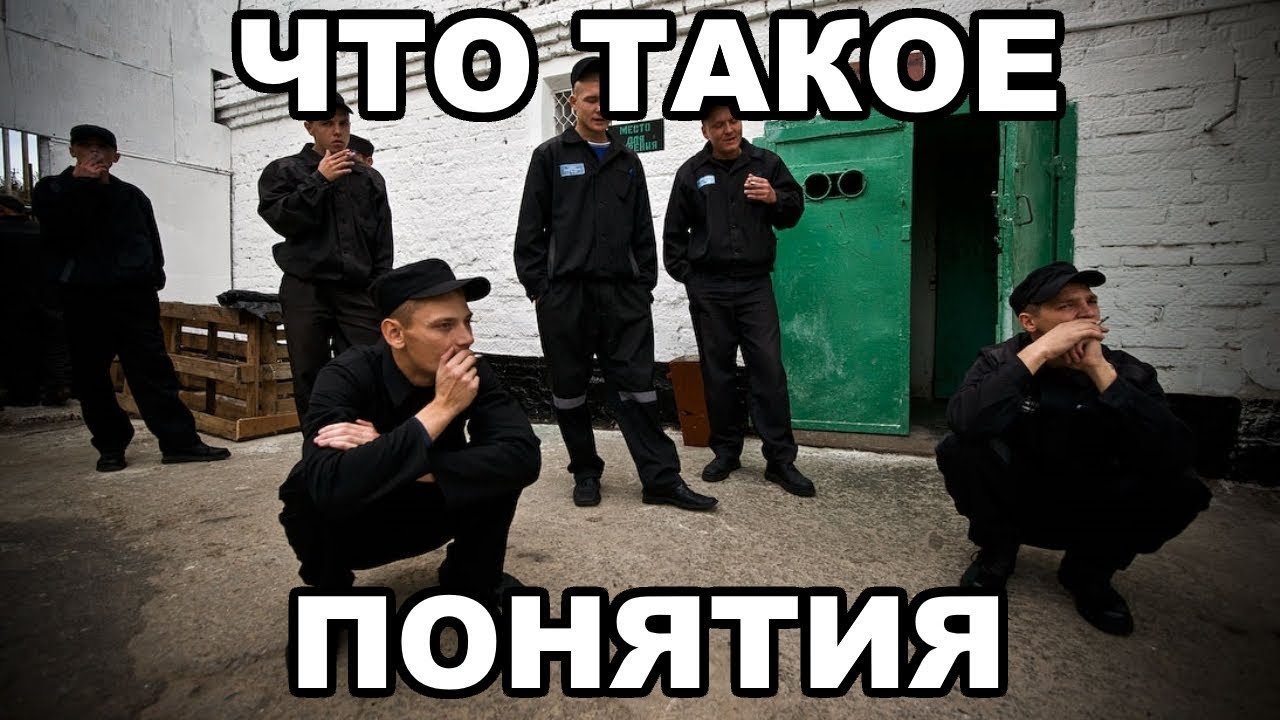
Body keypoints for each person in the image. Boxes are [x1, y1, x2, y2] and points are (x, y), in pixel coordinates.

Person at [936, 262, 1212, 635]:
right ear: (1029, 322)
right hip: (1018, 497)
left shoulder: (1127, 371)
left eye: (1090, 302)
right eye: (1067, 305)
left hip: (1094, 504)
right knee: (958, 450)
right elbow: (964, 421)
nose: (1085, 312)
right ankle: (998, 553)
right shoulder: (998, 361)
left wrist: (1100, 373)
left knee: (1184, 488)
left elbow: (1176, 453)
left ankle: (1088, 572)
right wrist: (1039, 354)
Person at [514, 56, 716, 512]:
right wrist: (540, 290)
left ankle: (660, 479)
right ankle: (585, 471)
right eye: (590, 99)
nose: (600, 107)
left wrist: (643, 285)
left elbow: (643, 228)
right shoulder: (550, 157)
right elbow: (530, 230)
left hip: (624, 296)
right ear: (573, 101)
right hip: (565, 296)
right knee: (569, 390)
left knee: (639, 388)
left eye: (607, 99)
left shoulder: (628, 161)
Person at [278, 258, 540, 606]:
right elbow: (329, 483)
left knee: (498, 468)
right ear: (395, 334)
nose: (466, 338)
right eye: (444, 325)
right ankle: (331, 592)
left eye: (467, 321)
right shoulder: (345, 375)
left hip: (439, 506)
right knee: (302, 487)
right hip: (364, 525)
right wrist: (441, 408)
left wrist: (409, 462)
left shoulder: (472, 371)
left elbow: (523, 456)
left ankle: (472, 578)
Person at [31, 124, 230, 471]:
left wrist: (153, 277)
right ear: (73, 151)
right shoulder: (53, 190)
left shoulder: (131, 196)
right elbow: (60, 234)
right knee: (91, 377)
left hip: (133, 298)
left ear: (116, 156)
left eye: (103, 148)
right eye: (86, 146)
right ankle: (111, 446)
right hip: (83, 299)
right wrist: (82, 186)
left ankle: (179, 442)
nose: (95, 153)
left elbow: (150, 239)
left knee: (153, 371)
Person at [663, 105, 814, 497]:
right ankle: (727, 452)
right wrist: (692, 280)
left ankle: (780, 461)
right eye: (718, 125)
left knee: (768, 371)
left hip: (754, 287)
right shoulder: (691, 173)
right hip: (709, 289)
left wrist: (774, 197)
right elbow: (674, 236)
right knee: (718, 373)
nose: (728, 130)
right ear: (705, 131)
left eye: (733, 121)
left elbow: (793, 210)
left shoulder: (766, 164)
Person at [257, 94, 393, 419]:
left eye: (343, 123)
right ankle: (317, 443)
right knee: (309, 373)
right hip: (306, 289)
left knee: (367, 366)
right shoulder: (284, 171)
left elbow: (382, 242)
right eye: (327, 123)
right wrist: (320, 180)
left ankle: (361, 439)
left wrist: (379, 290)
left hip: (357, 289)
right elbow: (282, 219)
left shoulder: (369, 178)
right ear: (309, 127)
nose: (337, 131)